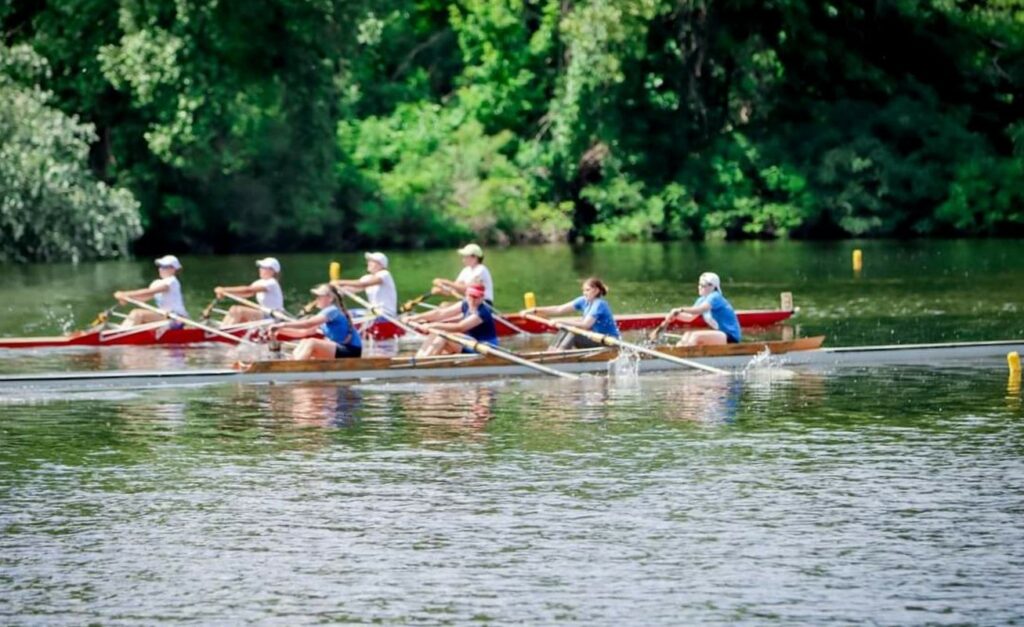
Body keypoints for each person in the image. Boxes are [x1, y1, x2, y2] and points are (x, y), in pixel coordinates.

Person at [522, 277, 619, 350]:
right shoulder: (583, 301)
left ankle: (559, 357)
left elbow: (585, 325)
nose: (585, 293)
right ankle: (552, 352)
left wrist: (560, 321)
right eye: (583, 290)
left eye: (587, 290)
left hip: (608, 342)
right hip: (595, 338)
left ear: (597, 290)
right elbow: (558, 309)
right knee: (566, 329)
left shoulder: (599, 304)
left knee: (572, 332)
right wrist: (534, 310)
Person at [269, 285, 362, 360]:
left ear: (330, 298)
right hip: (340, 350)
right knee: (304, 341)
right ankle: (293, 364)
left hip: (351, 351)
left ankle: (294, 368)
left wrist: (283, 324)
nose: (316, 299)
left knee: (312, 342)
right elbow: (303, 332)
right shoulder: (323, 316)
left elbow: (307, 324)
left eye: (319, 296)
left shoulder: (332, 310)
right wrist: (279, 330)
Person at [409, 283, 498, 357]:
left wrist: (432, 325)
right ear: (466, 295)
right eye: (470, 296)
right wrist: (415, 317)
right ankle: (420, 358)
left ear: (482, 298)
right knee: (435, 332)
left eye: (476, 297)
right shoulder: (465, 303)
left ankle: (424, 364)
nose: (472, 300)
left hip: (485, 349)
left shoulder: (482, 312)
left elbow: (459, 327)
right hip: (471, 342)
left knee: (442, 335)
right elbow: (440, 313)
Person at [668, 272, 742, 346]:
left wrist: (681, 309)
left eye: (704, 285)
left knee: (695, 337)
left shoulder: (715, 296)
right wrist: (675, 316)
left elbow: (701, 309)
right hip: (719, 334)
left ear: (713, 287)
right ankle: (677, 352)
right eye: (700, 284)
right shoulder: (701, 300)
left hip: (730, 336)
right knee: (687, 335)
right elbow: (690, 317)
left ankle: (686, 354)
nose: (700, 287)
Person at [113, 255, 189, 327]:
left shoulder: (172, 281)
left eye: (164, 267)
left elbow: (149, 292)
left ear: (173, 269)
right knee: (138, 318)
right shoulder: (156, 283)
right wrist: (127, 299)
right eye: (160, 266)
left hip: (177, 318)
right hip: (164, 316)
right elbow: (144, 297)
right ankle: (120, 334)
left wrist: (125, 294)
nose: (160, 269)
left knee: (137, 314)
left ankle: (118, 336)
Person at [214, 257, 285, 326]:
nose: (260, 269)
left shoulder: (272, 282)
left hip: (273, 317)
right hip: (264, 314)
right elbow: (247, 294)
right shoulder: (259, 282)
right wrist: (226, 294)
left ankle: (223, 332)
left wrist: (224, 289)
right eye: (260, 267)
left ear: (272, 271)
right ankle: (222, 329)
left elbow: (248, 289)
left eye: (263, 267)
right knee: (233, 308)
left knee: (239, 310)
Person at [331, 252, 397, 318]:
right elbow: (354, 288)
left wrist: (340, 282)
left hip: (386, 314)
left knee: (349, 316)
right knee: (344, 314)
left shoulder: (384, 274)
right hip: (373, 313)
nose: (368, 263)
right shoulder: (367, 277)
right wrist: (337, 290)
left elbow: (362, 284)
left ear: (380, 265)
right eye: (369, 261)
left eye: (372, 261)